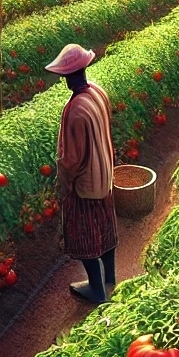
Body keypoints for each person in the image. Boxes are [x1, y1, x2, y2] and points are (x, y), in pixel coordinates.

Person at [45, 44, 118, 304]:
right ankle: (110, 278)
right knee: (106, 229)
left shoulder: (75, 109)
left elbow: (71, 160)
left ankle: (96, 290)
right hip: (105, 174)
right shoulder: (97, 92)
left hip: (86, 185)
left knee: (85, 237)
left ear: (67, 76)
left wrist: (64, 185)